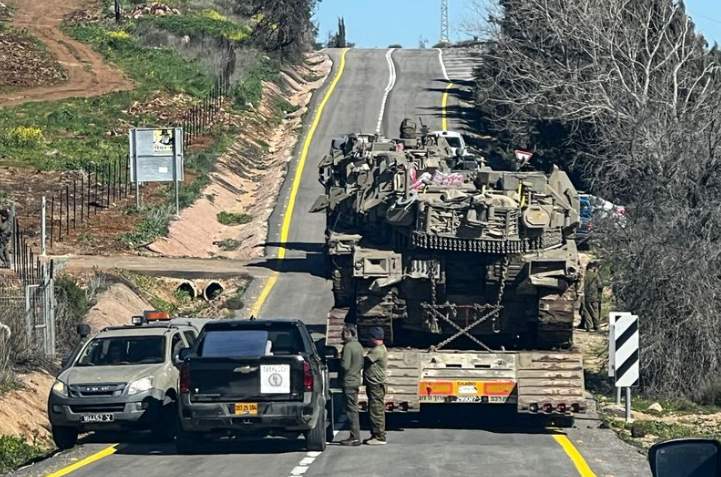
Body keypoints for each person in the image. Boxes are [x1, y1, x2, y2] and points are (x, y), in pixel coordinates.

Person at [339, 325, 364, 447]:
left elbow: (345, 365)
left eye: (343, 332)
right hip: (355, 379)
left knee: (351, 410)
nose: (341, 334)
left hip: (348, 381)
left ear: (348, 333)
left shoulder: (348, 347)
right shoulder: (358, 346)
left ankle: (354, 437)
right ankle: (354, 436)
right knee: (353, 408)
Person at [363, 326, 388, 445]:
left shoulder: (377, 351)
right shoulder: (380, 349)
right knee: (374, 410)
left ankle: (379, 437)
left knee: (376, 411)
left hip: (376, 385)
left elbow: (365, 360)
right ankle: (375, 434)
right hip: (375, 384)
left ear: (374, 338)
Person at [579, 261, 603, 331]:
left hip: (586, 296)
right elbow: (600, 285)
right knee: (595, 311)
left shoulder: (584, 275)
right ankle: (597, 326)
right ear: (593, 267)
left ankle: (589, 327)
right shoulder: (596, 275)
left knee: (587, 312)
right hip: (595, 296)